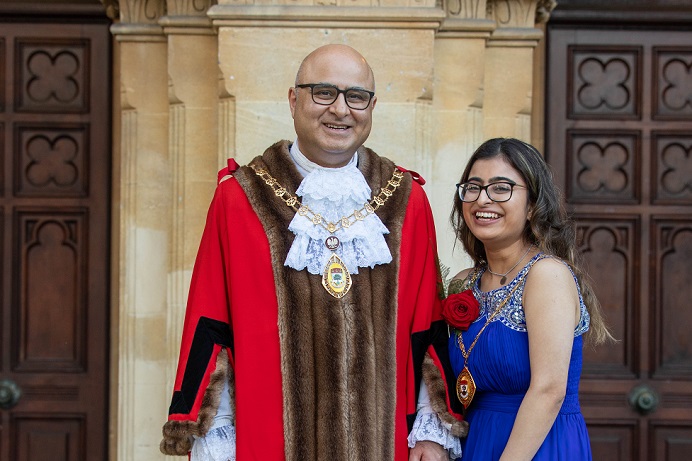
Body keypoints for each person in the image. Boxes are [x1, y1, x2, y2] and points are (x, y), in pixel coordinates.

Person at [159, 44, 467, 461]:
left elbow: (425, 326)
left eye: (356, 96)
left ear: (371, 106)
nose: (340, 110)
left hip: (382, 443)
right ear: (293, 99)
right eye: (323, 92)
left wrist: (431, 433)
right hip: (269, 442)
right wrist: (216, 442)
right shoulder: (240, 198)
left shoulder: (407, 202)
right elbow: (212, 324)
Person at [443, 138, 613, 460]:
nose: (483, 200)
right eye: (473, 187)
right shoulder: (462, 283)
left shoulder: (546, 275)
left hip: (539, 445)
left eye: (501, 188)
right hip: (476, 439)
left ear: (533, 204)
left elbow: (549, 391)